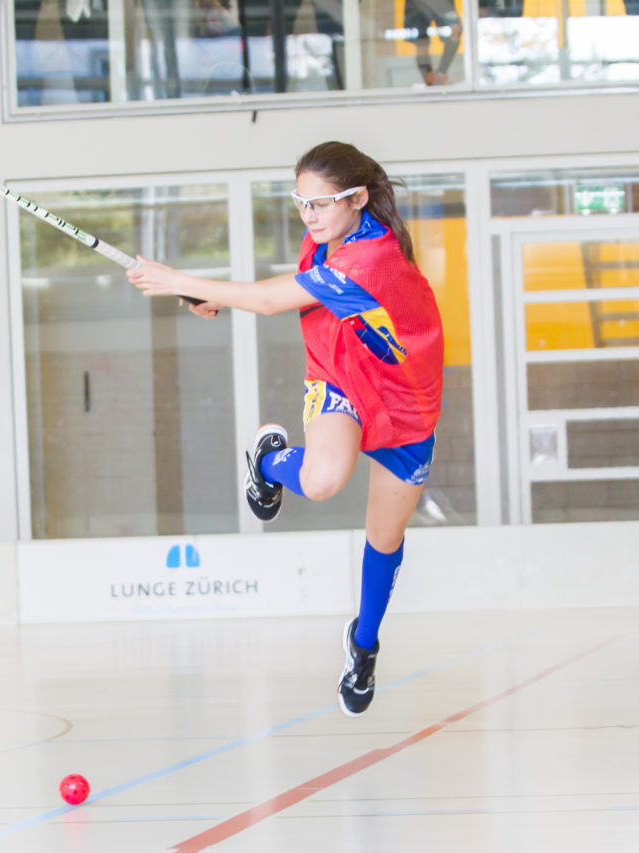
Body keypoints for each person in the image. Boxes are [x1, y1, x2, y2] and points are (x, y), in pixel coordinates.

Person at [128, 141, 444, 717]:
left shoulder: (371, 257)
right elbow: (289, 290)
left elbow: (276, 299)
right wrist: (209, 296)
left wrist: (181, 280)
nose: (309, 217)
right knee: (323, 480)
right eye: (302, 204)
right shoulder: (329, 234)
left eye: (321, 205)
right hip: (343, 374)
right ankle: (270, 461)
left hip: (409, 402)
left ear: (358, 200)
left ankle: (363, 644)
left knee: (385, 539)